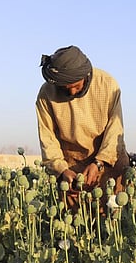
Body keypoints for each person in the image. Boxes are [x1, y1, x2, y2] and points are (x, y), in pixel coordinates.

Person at [36, 45, 130, 213]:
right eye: (65, 87)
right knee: (77, 225)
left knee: (112, 220)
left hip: (108, 161)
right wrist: (62, 170)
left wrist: (99, 163)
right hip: (71, 168)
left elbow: (115, 130)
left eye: (76, 86)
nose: (71, 91)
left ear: (86, 76)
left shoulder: (107, 85)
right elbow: (47, 138)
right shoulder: (46, 94)